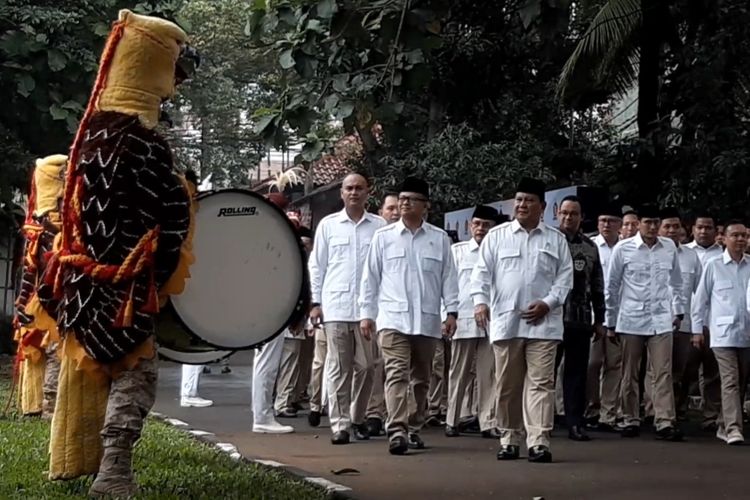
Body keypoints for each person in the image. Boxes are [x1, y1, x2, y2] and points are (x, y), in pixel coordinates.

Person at [37, 10, 198, 496]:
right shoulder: (146, 144)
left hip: (81, 284)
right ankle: (112, 472)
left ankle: (73, 460)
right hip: (126, 288)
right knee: (135, 373)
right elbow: (169, 217)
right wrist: (161, 270)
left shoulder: (87, 139)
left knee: (85, 366)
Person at [472, 177, 573, 463]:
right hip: (507, 322)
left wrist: (548, 303)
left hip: (545, 324)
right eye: (518, 200)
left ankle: (539, 440)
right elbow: (480, 273)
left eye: (529, 200)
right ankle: (509, 438)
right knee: (508, 384)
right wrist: (480, 303)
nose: (522, 205)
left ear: (542, 206)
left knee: (541, 383)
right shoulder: (497, 236)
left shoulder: (556, 239)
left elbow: (565, 280)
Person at [360, 177, 458, 455]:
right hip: (392, 319)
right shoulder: (384, 237)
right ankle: (397, 430)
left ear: (425, 206)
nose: (403, 203)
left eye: (411, 199)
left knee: (422, 379)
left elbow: (448, 278)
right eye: (401, 199)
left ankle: (414, 427)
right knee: (396, 374)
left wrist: (451, 312)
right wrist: (367, 314)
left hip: (426, 321)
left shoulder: (438, 239)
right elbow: (371, 278)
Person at [308, 174, 385, 444]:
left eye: (359, 188)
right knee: (339, 368)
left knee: (367, 367)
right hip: (336, 307)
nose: (354, 192)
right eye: (349, 188)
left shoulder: (380, 226)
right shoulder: (329, 226)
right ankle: (339, 425)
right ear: (341, 193)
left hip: (368, 311)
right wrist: (316, 303)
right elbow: (317, 266)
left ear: (368, 192)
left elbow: (384, 270)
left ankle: (358, 417)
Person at [605, 205, 685, 441]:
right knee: (629, 372)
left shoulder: (669, 247)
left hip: (661, 319)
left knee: (662, 372)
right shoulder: (624, 248)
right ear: (638, 223)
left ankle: (664, 421)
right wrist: (610, 322)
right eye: (647, 222)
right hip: (631, 318)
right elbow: (612, 287)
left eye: (655, 222)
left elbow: (676, 282)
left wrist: (678, 311)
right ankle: (630, 418)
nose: (652, 227)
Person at [13, 154, 66, 419]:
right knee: (49, 352)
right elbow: (32, 270)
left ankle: (35, 405)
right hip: (49, 301)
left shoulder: (36, 227)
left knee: (39, 353)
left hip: (40, 300)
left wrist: (21, 302)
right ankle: (45, 407)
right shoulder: (52, 232)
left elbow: (27, 270)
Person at [692, 221, 750, 445]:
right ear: (724, 239)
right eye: (735, 235)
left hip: (746, 333)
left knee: (742, 381)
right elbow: (700, 301)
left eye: (744, 236)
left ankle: (723, 423)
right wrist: (697, 330)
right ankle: (734, 428)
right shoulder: (714, 265)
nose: (740, 240)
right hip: (722, 333)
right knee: (730, 380)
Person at [445, 205, 499, 438]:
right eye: (477, 224)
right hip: (464, 317)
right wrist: (447, 315)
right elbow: (447, 286)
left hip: (491, 320)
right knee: (459, 372)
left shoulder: (499, 252)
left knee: (488, 373)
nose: (481, 229)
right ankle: (452, 420)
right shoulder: (458, 252)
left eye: (486, 225)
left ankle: (488, 421)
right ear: (469, 226)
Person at [556, 196, 606, 442]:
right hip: (551, 319)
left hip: (581, 318)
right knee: (544, 373)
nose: (568, 218)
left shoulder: (590, 247)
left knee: (577, 374)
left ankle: (575, 422)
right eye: (564, 213)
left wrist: (600, 319)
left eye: (573, 213)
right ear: (557, 214)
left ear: (581, 216)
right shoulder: (549, 241)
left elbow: (597, 285)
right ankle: (540, 422)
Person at [365, 194, 402, 436]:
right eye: (391, 208)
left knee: (397, 368)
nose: (396, 212)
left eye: (399, 208)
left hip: (401, 315)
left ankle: (395, 415)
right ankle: (373, 413)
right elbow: (369, 277)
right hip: (376, 312)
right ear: (382, 211)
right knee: (375, 366)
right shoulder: (376, 235)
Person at [586, 204, 624, 431]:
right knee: (592, 364)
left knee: (614, 366)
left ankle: (608, 414)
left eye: (611, 220)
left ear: (620, 224)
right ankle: (591, 408)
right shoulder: (590, 246)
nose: (607, 225)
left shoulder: (627, 248)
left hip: (620, 317)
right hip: (593, 316)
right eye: (603, 220)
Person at [683, 213, 723, 430]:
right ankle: (678, 412)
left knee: (713, 373)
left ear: (716, 231)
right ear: (693, 229)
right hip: (687, 322)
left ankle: (711, 416)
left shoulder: (723, 256)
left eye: (709, 227)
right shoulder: (683, 253)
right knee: (684, 370)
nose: (704, 231)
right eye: (700, 227)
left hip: (715, 323)